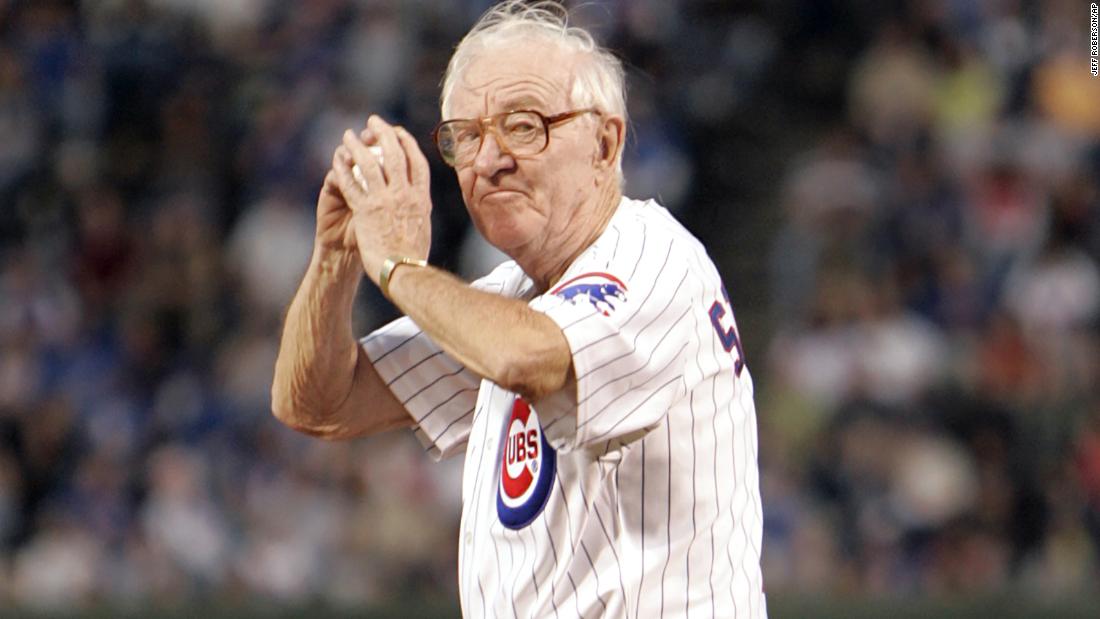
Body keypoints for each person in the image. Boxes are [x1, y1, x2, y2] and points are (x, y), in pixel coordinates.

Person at [271, 1, 766, 616]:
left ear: (605, 142)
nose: (488, 160)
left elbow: (528, 358)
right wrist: (335, 259)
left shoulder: (655, 258)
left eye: (524, 125)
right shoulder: (512, 299)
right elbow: (319, 403)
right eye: (467, 136)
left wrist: (398, 265)